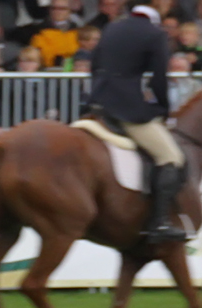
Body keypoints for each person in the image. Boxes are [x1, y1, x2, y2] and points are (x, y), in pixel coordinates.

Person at [89, 2, 186, 242]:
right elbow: (159, 78)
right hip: (125, 107)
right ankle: (159, 223)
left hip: (98, 102)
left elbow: (94, 64)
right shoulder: (155, 34)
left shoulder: (112, 27)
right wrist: (161, 108)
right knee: (171, 157)